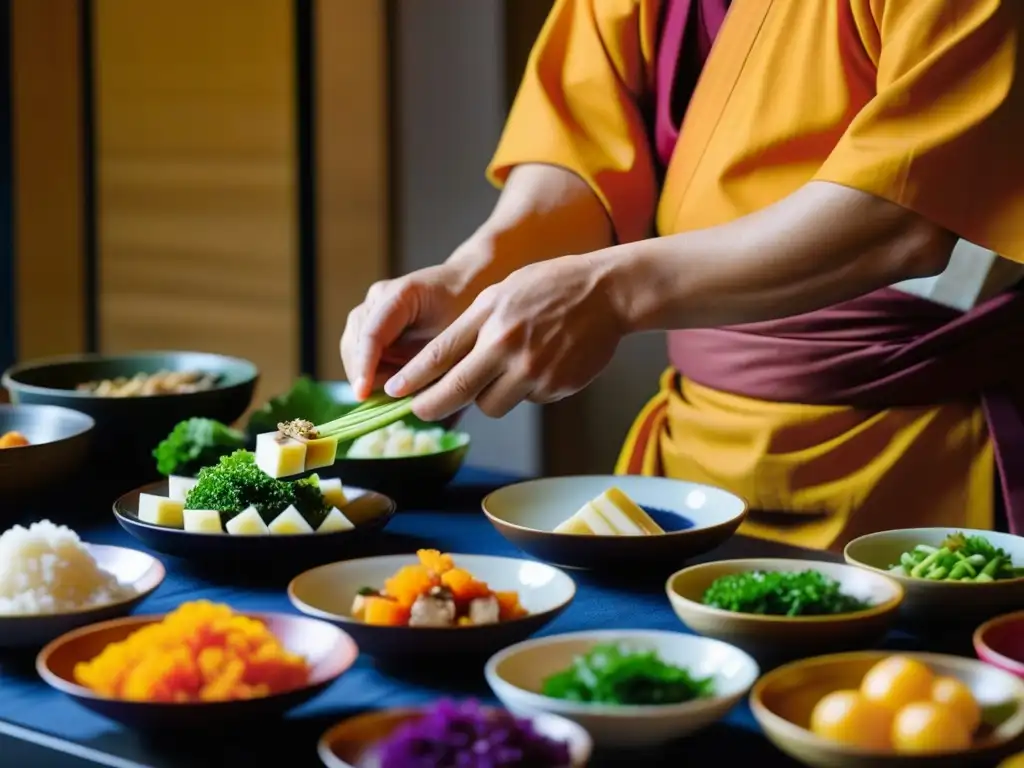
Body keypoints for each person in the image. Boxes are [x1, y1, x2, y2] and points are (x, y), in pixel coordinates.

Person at [340, 0, 1024, 550]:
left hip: (922, 448)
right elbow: (579, 148)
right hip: (693, 455)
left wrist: (615, 290)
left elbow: (906, 212)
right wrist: (472, 276)